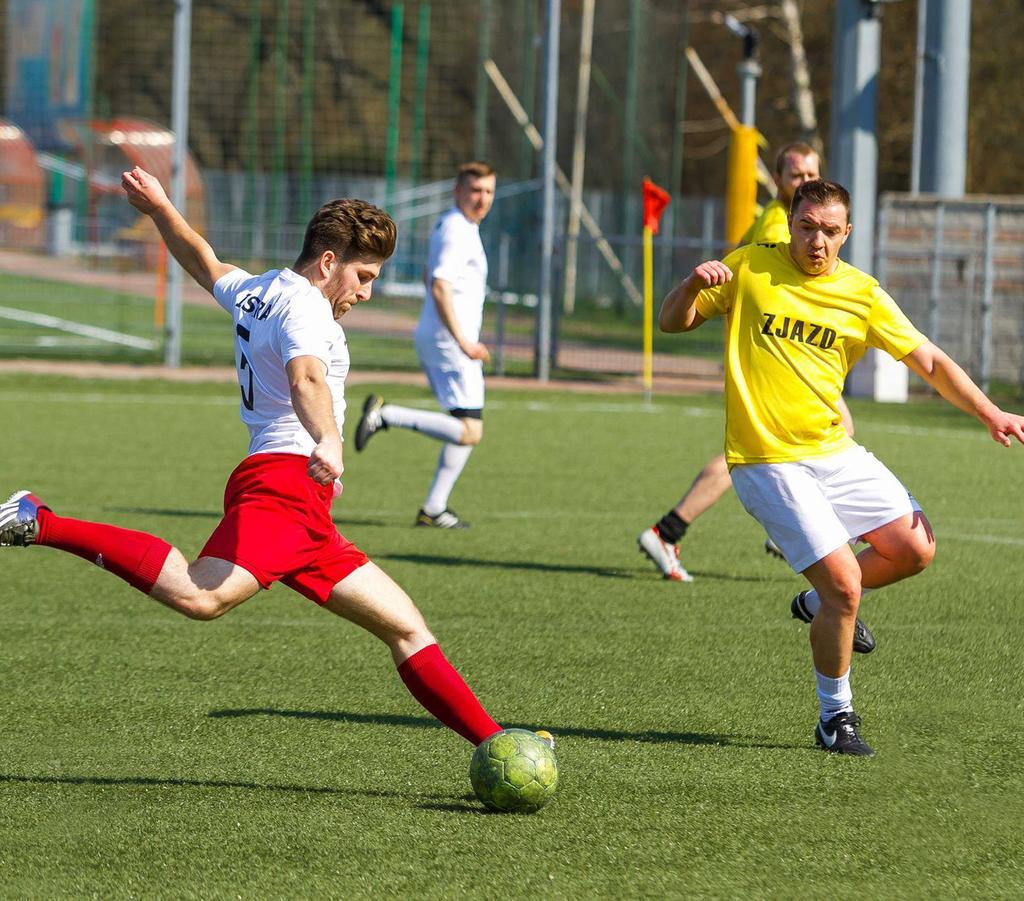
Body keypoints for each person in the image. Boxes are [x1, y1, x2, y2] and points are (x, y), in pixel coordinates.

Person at [0, 166, 523, 753]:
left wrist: (162, 210)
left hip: (300, 502)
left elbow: (202, 260)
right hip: (286, 484)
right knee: (202, 594)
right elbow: (306, 379)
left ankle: (496, 742)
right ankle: (39, 520)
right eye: (364, 276)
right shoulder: (305, 311)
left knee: (406, 627)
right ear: (328, 262)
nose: (366, 292)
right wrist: (327, 439)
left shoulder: (260, 290)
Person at [658, 179, 1024, 756]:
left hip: (833, 450)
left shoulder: (863, 293)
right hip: (765, 460)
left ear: (846, 234)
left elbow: (926, 358)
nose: (817, 241)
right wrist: (689, 285)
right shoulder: (752, 266)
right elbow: (671, 323)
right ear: (790, 225)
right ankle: (836, 717)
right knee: (848, 587)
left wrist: (989, 411)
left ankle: (815, 603)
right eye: (807, 227)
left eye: (830, 231)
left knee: (914, 550)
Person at [638, 142, 826, 582]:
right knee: (756, 453)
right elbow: (785, 298)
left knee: (769, 449)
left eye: (811, 174)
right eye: (796, 176)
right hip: (770, 356)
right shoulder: (783, 225)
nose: (805, 183)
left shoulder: (792, 219)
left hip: (777, 354)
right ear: (778, 180)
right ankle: (775, 533)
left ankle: (671, 531)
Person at [354, 162, 496, 529]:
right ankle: (385, 416)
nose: (482, 199)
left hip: (443, 338)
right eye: (475, 191)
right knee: (470, 430)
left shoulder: (455, 226)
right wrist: (464, 341)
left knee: (464, 425)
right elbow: (438, 284)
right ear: (457, 191)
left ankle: (434, 508)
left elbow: (429, 275)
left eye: (488, 192)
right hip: (451, 343)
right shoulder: (457, 230)